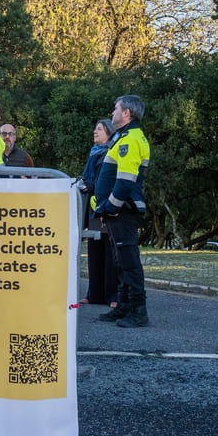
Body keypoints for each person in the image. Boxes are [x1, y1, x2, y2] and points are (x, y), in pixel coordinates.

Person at [93, 95, 150, 328]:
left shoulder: (130, 140)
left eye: (116, 108)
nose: (113, 112)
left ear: (126, 112)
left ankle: (138, 310)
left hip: (123, 210)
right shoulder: (124, 137)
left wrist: (111, 207)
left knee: (129, 261)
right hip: (120, 210)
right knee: (121, 261)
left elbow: (125, 180)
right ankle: (124, 306)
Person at [79, 119, 118, 307]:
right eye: (95, 128)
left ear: (109, 133)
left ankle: (112, 296)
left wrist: (93, 187)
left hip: (106, 207)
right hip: (93, 209)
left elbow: (109, 180)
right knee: (94, 249)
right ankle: (94, 294)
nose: (95, 131)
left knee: (109, 252)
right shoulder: (93, 153)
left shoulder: (112, 153)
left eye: (99, 129)